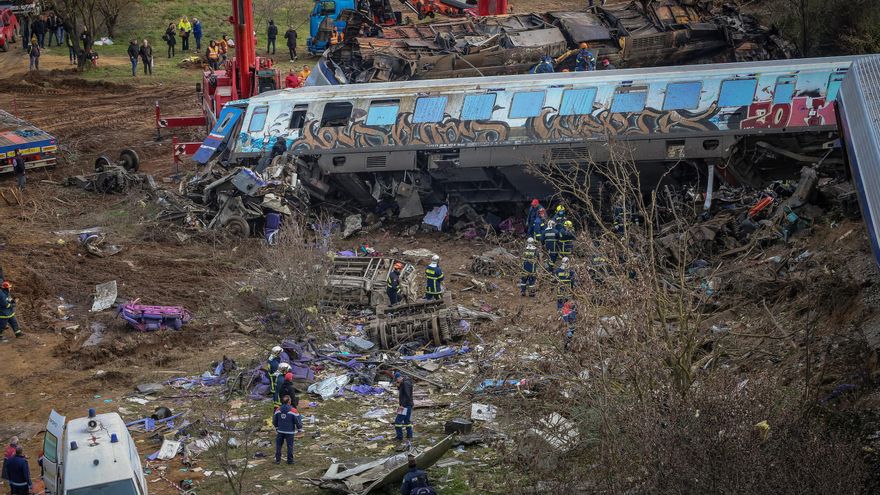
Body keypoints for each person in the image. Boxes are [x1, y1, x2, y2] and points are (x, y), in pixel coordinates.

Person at [272, 396, 303, 465]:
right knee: (290, 446)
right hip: (290, 432)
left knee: (279, 446)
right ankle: (290, 461)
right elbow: (298, 421)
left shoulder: (278, 410)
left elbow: (274, 421)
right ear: (289, 401)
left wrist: (277, 427)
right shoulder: (293, 410)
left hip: (280, 431)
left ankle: (277, 460)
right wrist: (299, 429)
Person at [394, 372, 414, 445]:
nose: (397, 381)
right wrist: (398, 386)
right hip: (408, 405)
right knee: (407, 421)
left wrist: (402, 405)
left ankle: (399, 437)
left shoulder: (405, 383)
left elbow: (407, 395)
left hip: (405, 405)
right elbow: (403, 392)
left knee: (397, 421)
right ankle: (410, 436)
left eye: (397, 380)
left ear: (399, 377)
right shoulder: (405, 382)